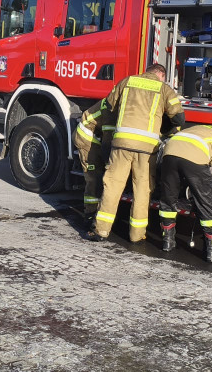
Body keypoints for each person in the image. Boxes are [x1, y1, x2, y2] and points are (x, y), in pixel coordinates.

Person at [88, 64, 185, 243]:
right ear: (161, 74)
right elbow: (179, 118)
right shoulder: (164, 89)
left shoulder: (127, 81)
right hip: (147, 149)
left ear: (147, 71)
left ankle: (101, 230)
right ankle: (136, 235)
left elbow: (109, 105)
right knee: (142, 190)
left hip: (122, 144)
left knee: (113, 186)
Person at [158, 121, 212, 262]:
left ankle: (167, 241)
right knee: (204, 202)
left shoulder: (201, 129)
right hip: (194, 156)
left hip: (169, 151)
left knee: (168, 199)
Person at [73, 98, 114, 229]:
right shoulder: (111, 108)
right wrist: (109, 163)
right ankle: (89, 214)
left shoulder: (115, 101)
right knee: (93, 176)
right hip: (86, 136)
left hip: (95, 134)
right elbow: (107, 142)